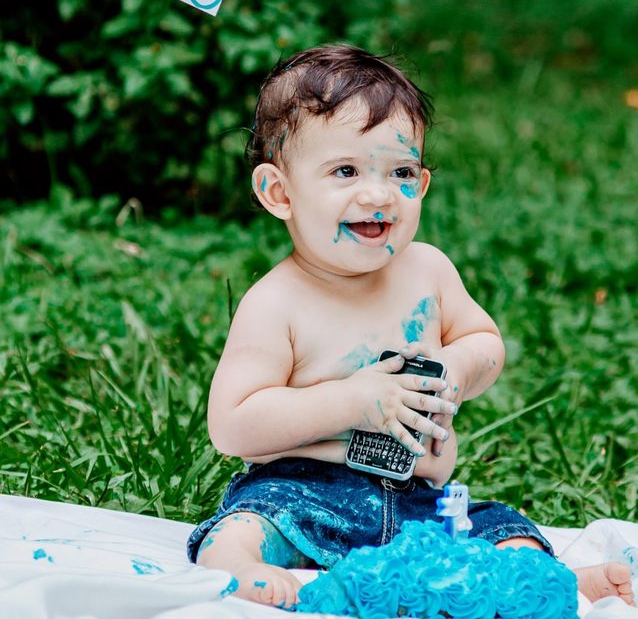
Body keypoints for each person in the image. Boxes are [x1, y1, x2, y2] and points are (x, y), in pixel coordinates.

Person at [187, 45, 635, 611]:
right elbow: (232, 426)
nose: (377, 194)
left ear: (420, 184)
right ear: (280, 193)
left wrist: (458, 366)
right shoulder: (276, 303)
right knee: (245, 524)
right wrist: (350, 402)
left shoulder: (428, 271)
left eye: (399, 172)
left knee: (501, 528)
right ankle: (240, 570)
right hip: (304, 491)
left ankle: (552, 580)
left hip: (420, 498)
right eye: (345, 171)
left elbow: (484, 343)